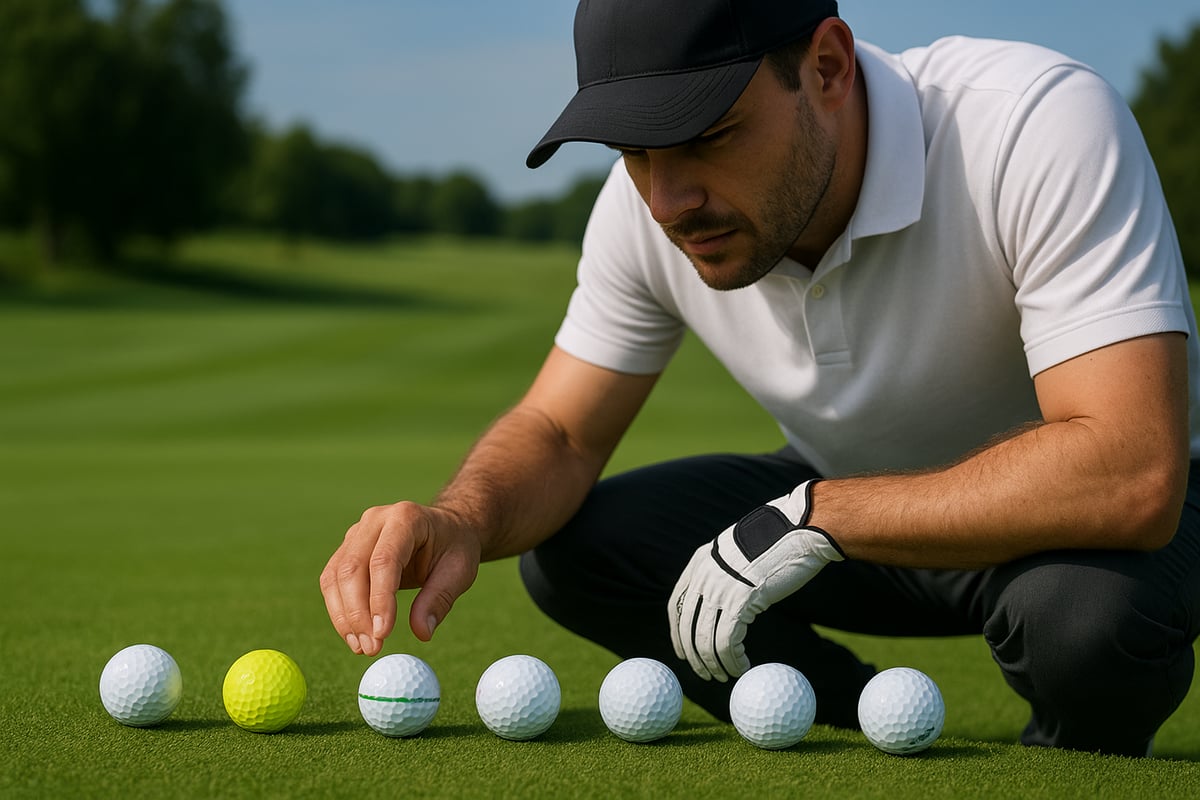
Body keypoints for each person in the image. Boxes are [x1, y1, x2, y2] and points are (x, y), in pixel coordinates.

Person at [320, 0, 1200, 757]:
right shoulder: (646, 209)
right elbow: (562, 432)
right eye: (633, 151)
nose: (666, 201)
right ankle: (853, 727)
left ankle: (1060, 759)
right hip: (841, 516)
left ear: (826, 66)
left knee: (1086, 625)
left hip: (1077, 531)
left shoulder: (1033, 123)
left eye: (708, 137)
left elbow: (1131, 468)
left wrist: (823, 515)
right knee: (580, 552)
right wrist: (461, 515)